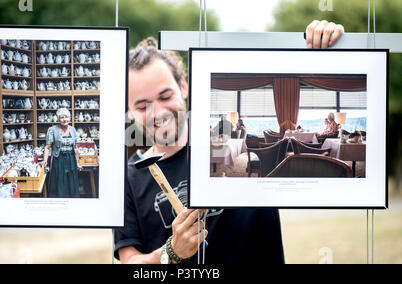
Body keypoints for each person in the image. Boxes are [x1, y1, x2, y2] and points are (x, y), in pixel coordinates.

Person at [115, 21, 344, 264]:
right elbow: (130, 261)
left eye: (165, 96)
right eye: (142, 106)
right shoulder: (128, 177)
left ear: (183, 86)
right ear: (128, 111)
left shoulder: (233, 154)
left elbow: (292, 66)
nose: (156, 112)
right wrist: (170, 253)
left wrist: (322, 41)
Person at [41, 108, 83, 198]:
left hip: (71, 159)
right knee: (59, 183)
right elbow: (48, 147)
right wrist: (45, 160)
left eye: (66, 117)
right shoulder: (52, 129)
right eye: (62, 117)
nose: (64, 120)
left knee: (71, 183)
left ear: (70, 118)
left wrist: (78, 163)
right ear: (58, 119)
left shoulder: (73, 130)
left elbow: (75, 148)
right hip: (58, 159)